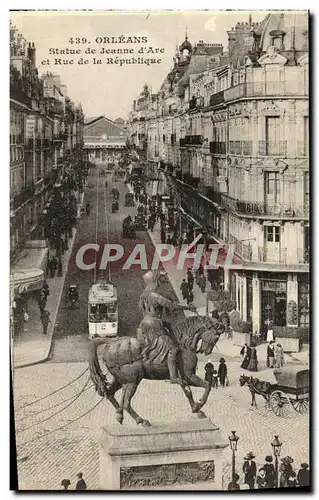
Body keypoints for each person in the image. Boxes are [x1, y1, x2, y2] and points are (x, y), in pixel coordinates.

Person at [138, 270, 196, 384]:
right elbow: (172, 306)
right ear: (155, 281)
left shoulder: (143, 295)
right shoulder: (154, 296)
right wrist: (188, 307)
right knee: (172, 348)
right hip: (154, 325)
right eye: (159, 280)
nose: (160, 283)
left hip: (145, 323)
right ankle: (173, 376)